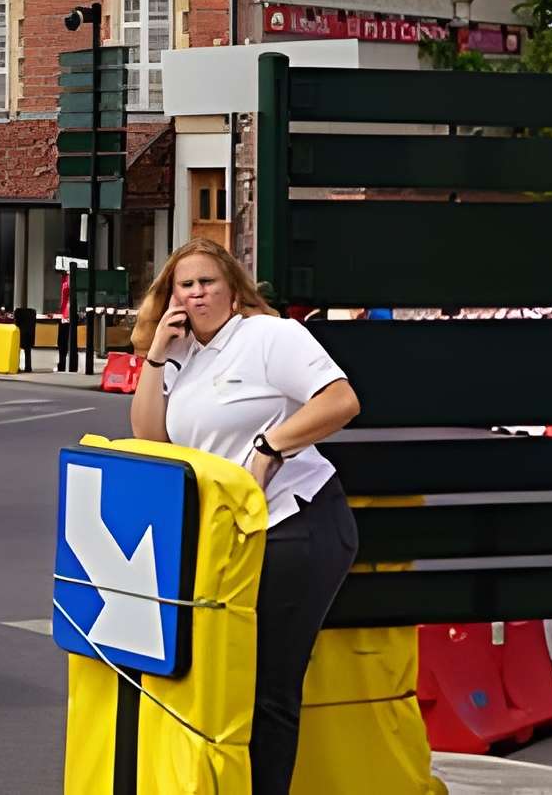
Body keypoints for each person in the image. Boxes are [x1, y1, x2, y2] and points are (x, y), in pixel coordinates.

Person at [126, 238, 360, 795]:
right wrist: (156, 354)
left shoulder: (269, 337)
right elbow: (149, 436)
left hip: (295, 524)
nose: (198, 293)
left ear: (233, 287)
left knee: (268, 687)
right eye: (186, 284)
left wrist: (270, 446)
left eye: (208, 281)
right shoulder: (182, 353)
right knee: (232, 682)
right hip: (232, 536)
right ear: (171, 296)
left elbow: (341, 400)